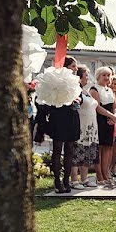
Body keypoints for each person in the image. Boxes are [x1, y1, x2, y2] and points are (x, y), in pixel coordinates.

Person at [36, 56, 81, 194]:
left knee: (70, 150)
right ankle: (57, 181)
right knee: (57, 149)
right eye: (73, 66)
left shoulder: (75, 82)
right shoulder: (54, 80)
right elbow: (45, 103)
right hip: (59, 118)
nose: (76, 69)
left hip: (72, 117)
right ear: (66, 67)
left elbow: (80, 97)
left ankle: (66, 180)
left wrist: (77, 100)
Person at [70, 65, 99, 188]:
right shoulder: (76, 90)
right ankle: (74, 180)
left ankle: (84, 178)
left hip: (91, 126)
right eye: (86, 75)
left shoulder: (86, 91)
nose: (88, 77)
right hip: (81, 125)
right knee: (78, 153)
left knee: (88, 153)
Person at [90, 66, 116, 183]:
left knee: (108, 147)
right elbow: (97, 107)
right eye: (104, 75)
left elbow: (115, 106)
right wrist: (111, 116)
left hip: (110, 121)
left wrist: (115, 116)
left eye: (108, 75)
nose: (107, 78)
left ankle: (106, 172)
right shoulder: (94, 89)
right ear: (98, 76)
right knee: (99, 147)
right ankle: (99, 174)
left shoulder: (110, 90)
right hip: (99, 120)